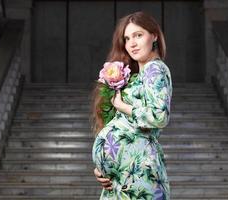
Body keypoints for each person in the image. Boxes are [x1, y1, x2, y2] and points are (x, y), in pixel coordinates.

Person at [91, 11, 172, 200]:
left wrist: (123, 106)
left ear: (154, 36)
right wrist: (103, 166)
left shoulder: (155, 69)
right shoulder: (137, 75)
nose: (132, 44)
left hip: (139, 173)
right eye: (127, 38)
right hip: (123, 176)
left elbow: (160, 116)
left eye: (138, 35)